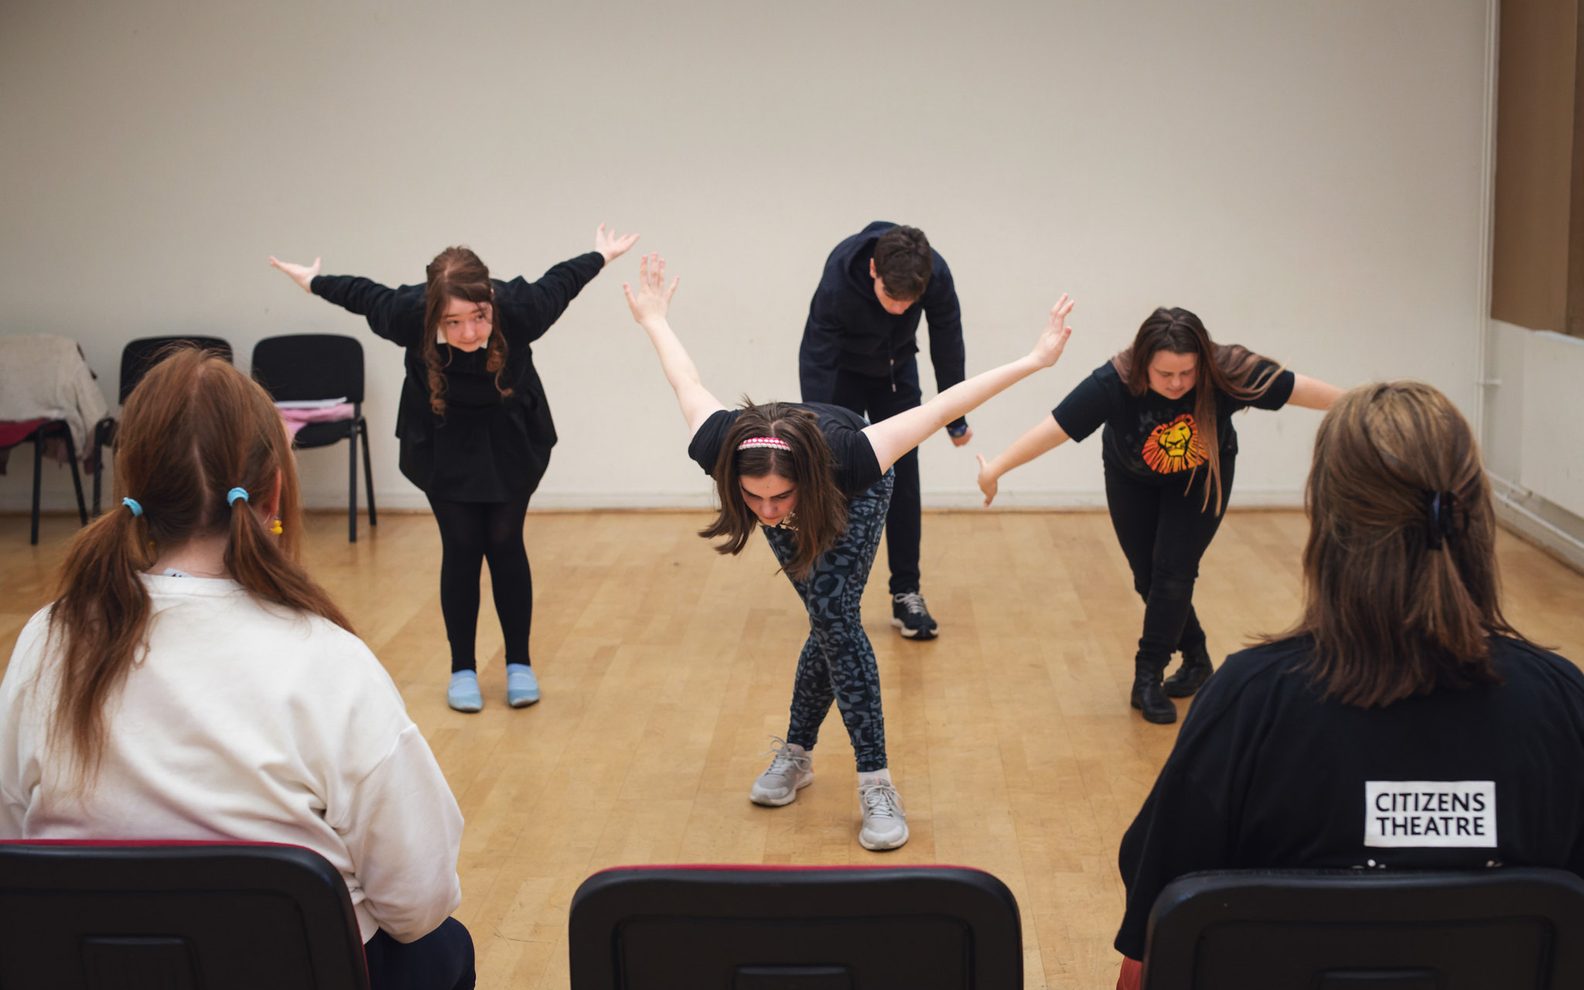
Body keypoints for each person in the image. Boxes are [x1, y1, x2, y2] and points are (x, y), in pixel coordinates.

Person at [0, 349, 473, 990]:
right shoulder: (329, 660)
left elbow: (13, 841)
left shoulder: (46, 641)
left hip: (91, 969)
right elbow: (418, 902)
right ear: (273, 490)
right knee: (443, 948)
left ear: (129, 482)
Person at [1110, 381, 1584, 989]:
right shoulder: (1560, 706)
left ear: (1326, 521)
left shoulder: (1247, 706)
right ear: (1477, 515)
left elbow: (1155, 948)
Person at [625, 252, 1073, 850]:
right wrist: (654, 317)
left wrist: (1036, 359)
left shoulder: (853, 455)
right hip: (802, 491)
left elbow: (941, 405)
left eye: (778, 497)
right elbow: (686, 380)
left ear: (800, 479)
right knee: (828, 621)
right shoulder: (722, 444)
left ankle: (874, 783)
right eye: (751, 498)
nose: (765, 511)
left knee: (834, 617)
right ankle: (798, 755)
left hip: (851, 499)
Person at [270, 225, 638, 712]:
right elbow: (362, 295)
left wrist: (601, 254)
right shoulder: (408, 315)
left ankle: (518, 664)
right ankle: (462, 667)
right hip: (440, 439)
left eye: (478, 319)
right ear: (434, 316)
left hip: (511, 437)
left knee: (505, 542)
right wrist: (314, 281)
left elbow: (561, 280)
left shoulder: (521, 310)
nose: (468, 333)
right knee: (462, 546)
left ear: (490, 302)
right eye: (453, 322)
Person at [976, 306, 1341, 723]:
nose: (1177, 383)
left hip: (1202, 476)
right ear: (1144, 363)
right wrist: (997, 468)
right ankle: (1197, 657)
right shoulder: (1113, 381)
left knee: (1174, 571)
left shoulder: (1225, 371)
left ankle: (1147, 676)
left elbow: (1298, 389)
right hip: (1131, 477)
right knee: (1147, 577)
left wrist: (1360, 405)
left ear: (1201, 361)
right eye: (1165, 374)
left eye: (1186, 373)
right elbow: (1057, 426)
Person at [799, 222, 970, 641]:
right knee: (835, 478)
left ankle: (905, 593)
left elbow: (947, 339)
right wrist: (815, 430)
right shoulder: (839, 277)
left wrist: (955, 414)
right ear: (874, 271)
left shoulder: (935, 274)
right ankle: (832, 597)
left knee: (902, 479)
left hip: (896, 374)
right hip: (842, 374)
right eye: (891, 299)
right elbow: (816, 356)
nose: (898, 310)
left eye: (908, 302)